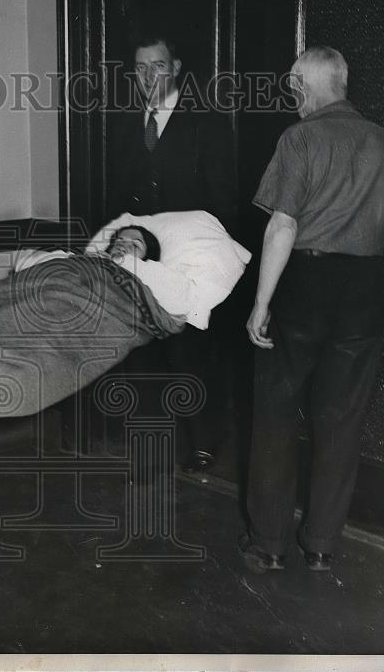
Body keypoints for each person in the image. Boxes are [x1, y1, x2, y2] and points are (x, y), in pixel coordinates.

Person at [240, 46, 384, 573]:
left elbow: (283, 225)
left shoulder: (300, 138)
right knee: (342, 418)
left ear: (302, 87)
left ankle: (267, 542)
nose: (294, 99)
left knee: (276, 411)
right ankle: (322, 545)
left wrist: (261, 303)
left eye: (294, 90)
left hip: (307, 283)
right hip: (366, 287)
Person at [107, 30, 236, 473]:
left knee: (190, 350)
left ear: (176, 68)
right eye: (140, 68)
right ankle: (146, 449)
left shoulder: (207, 124)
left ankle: (204, 441)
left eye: (157, 66)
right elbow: (114, 195)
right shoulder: (124, 125)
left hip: (189, 254)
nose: (148, 76)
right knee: (140, 347)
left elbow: (223, 200)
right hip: (137, 256)